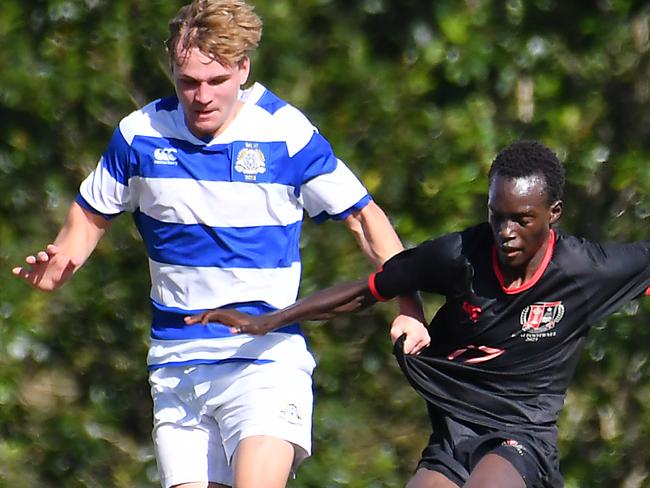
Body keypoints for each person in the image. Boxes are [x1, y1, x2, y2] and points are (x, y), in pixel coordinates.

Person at [11, 1, 430, 487]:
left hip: (264, 360)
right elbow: (90, 214)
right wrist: (63, 259)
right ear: (172, 73)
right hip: (177, 367)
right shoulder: (139, 136)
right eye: (188, 82)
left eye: (216, 81)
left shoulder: (285, 134)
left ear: (243, 69)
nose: (202, 96)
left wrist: (408, 303)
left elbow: (363, 219)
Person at [187, 140, 650, 488]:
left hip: (521, 436)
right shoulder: (459, 254)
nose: (506, 232)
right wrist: (268, 321)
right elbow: (369, 289)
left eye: (521, 219)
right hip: (452, 433)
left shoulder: (585, 270)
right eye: (496, 216)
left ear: (554, 214)